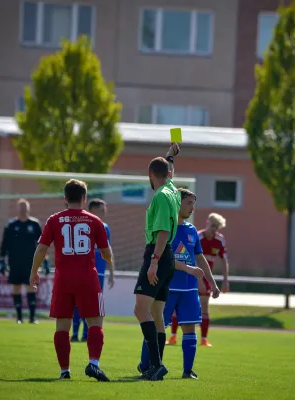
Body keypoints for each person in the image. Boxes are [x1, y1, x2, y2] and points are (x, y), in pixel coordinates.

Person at [29, 179, 114, 381]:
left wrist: (34, 271)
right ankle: (93, 363)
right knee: (95, 322)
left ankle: (64, 371)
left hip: (63, 279)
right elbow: (105, 251)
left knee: (62, 326)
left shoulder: (54, 220)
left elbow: (41, 248)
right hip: (88, 278)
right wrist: (110, 263)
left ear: (65, 199)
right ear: (84, 198)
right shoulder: (95, 221)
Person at [138, 188, 221, 379]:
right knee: (157, 327)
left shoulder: (192, 231)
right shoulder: (166, 229)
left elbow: (199, 258)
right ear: (178, 203)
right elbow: (165, 259)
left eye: (194, 203)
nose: (193, 207)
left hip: (189, 290)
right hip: (166, 288)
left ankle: (187, 371)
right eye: (189, 203)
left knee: (190, 328)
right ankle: (147, 366)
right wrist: (188, 269)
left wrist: (213, 283)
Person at [133, 142, 181, 381]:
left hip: (158, 253)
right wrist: (170, 156)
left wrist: (153, 261)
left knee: (140, 310)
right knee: (157, 313)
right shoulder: (171, 189)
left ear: (151, 175)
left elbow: (162, 231)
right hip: (168, 256)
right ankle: (156, 366)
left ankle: (156, 364)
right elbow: (169, 172)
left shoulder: (161, 196)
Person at [170, 213, 230, 347]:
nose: (214, 229)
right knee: (179, 306)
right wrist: (199, 280)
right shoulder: (197, 236)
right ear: (207, 223)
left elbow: (224, 261)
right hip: (190, 276)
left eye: (217, 227)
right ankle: (173, 336)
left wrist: (225, 280)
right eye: (213, 225)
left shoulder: (220, 240)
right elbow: (193, 258)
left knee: (204, 307)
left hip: (205, 277)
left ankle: (204, 339)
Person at [0, 199, 48, 324]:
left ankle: (32, 317)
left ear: (28, 209)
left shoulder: (34, 224)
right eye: (21, 207)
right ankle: (19, 317)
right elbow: (4, 244)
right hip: (14, 262)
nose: (23, 209)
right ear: (17, 209)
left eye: (25, 207)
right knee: (16, 288)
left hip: (30, 263)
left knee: (31, 287)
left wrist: (45, 261)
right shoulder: (11, 225)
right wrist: (2, 261)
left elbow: (42, 245)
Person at [72, 199, 114, 342]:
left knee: (93, 303)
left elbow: (108, 250)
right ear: (93, 211)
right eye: (102, 210)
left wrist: (112, 272)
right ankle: (75, 333)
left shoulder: (105, 227)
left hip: (99, 271)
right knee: (78, 301)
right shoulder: (81, 225)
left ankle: (86, 334)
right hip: (82, 270)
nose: (105, 212)